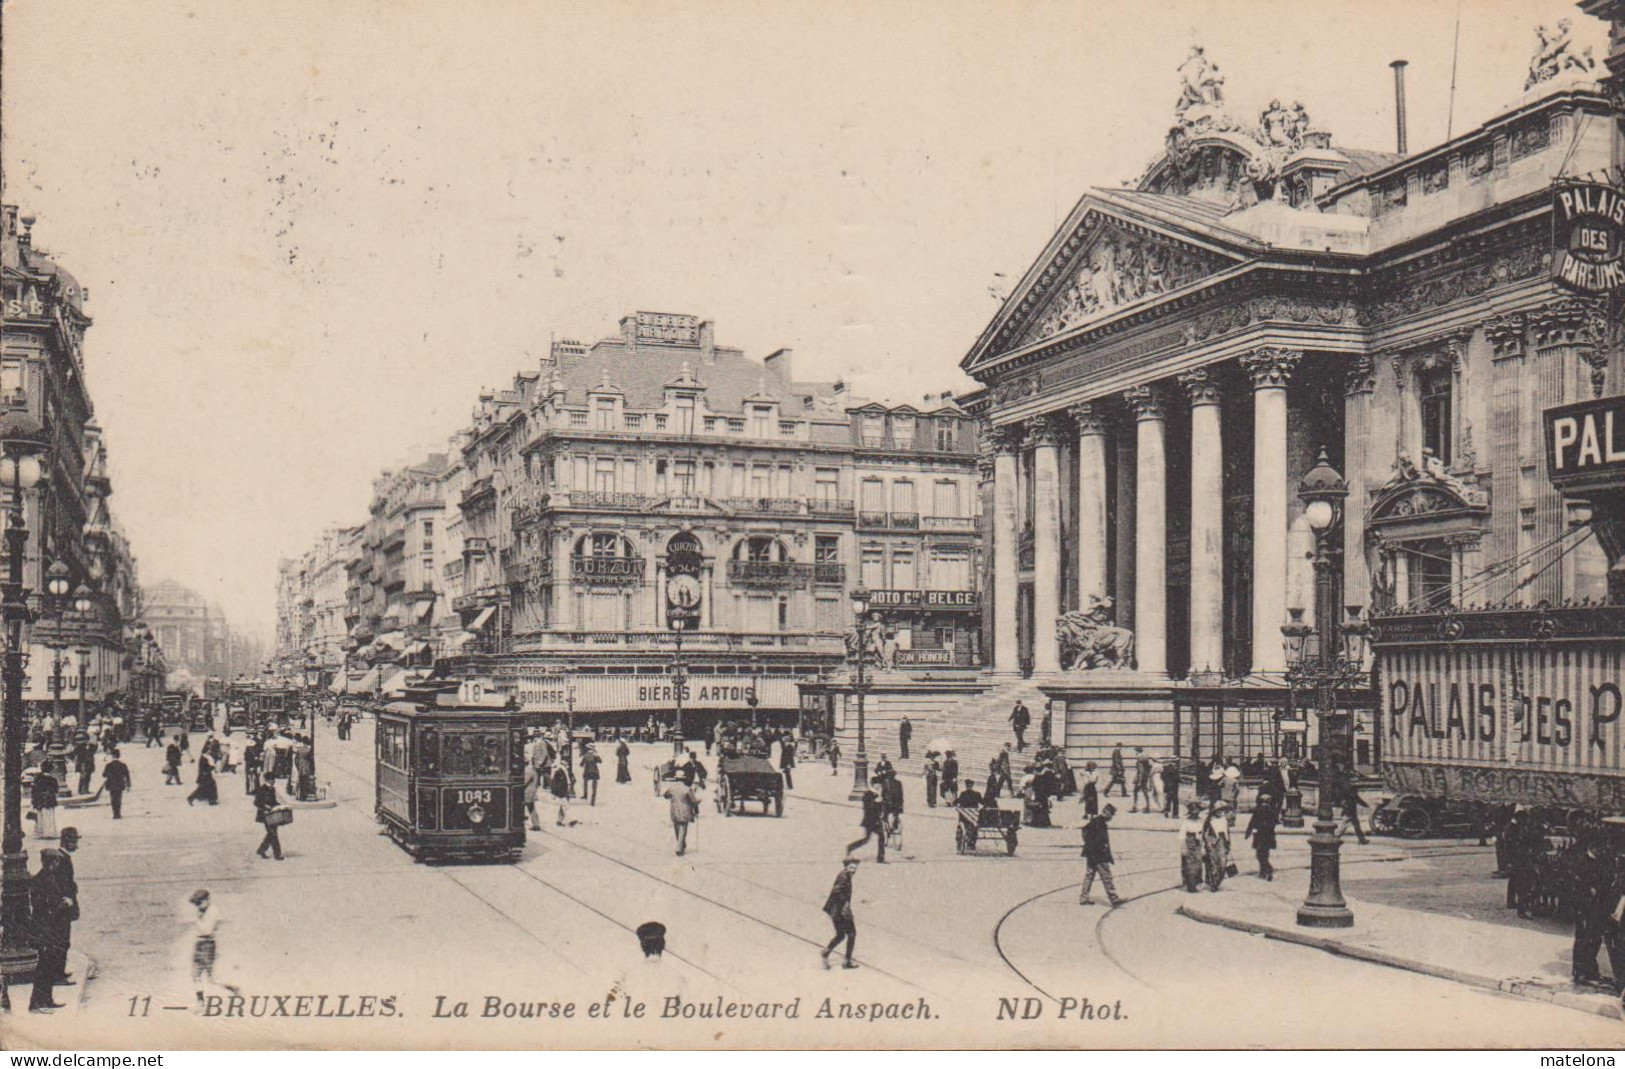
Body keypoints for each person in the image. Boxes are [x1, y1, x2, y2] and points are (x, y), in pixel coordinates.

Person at [27, 849, 71, 1012]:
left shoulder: (47, 878)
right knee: (44, 966)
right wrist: (64, 904)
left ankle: (46, 999)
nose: (58, 865)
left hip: (49, 929)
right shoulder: (42, 880)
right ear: (51, 863)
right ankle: (37, 1003)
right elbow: (45, 908)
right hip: (44, 929)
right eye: (56, 862)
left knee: (49, 964)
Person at [1079, 803, 1125, 907]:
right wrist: (1099, 848)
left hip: (1091, 853)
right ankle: (1114, 899)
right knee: (1106, 876)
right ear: (1107, 813)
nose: (1111, 818)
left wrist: (1088, 845)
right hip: (1099, 855)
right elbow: (1099, 840)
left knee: (1089, 875)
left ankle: (1083, 897)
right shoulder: (1100, 824)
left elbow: (1084, 831)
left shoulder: (1095, 821)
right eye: (1111, 815)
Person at [188, 889, 228, 1004]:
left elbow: (207, 931)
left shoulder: (213, 911)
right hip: (200, 944)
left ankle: (232, 989)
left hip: (207, 944)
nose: (197, 906)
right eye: (196, 903)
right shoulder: (202, 910)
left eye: (199, 903)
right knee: (195, 975)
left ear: (206, 900)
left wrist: (196, 920)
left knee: (211, 979)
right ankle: (200, 1002)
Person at [820, 857, 860, 970]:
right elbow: (837, 891)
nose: (853, 870)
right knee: (851, 934)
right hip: (840, 910)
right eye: (851, 867)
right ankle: (847, 962)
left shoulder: (845, 875)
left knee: (841, 935)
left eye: (855, 868)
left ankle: (826, 952)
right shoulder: (843, 877)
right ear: (846, 867)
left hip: (835, 910)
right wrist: (845, 904)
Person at [846, 784, 887, 863]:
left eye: (879, 787)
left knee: (881, 837)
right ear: (872, 786)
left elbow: (882, 808)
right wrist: (876, 802)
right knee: (866, 839)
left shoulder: (878, 795)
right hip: (869, 821)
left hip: (877, 820)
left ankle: (880, 858)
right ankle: (850, 847)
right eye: (876, 786)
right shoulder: (868, 795)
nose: (878, 788)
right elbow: (868, 808)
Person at [1245, 791, 1279, 880]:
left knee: (1260, 854)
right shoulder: (1271, 811)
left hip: (1261, 835)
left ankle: (1267, 869)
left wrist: (1248, 832)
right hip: (1267, 836)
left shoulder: (1259, 810)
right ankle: (1264, 871)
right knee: (1264, 854)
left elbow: (1252, 823)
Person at [662, 778, 700, 856]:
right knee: (683, 828)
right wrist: (696, 810)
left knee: (677, 829)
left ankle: (681, 844)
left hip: (674, 811)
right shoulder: (687, 789)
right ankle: (679, 848)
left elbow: (666, 796)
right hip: (685, 812)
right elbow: (694, 801)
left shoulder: (672, 788)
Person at [253, 779, 284, 861]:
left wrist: (279, 805)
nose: (274, 781)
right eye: (273, 780)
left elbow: (273, 801)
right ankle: (277, 854)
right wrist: (265, 806)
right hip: (264, 815)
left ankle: (261, 850)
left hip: (272, 814)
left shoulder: (272, 789)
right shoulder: (261, 789)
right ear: (268, 780)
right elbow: (256, 802)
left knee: (271, 833)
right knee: (273, 833)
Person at [1180, 801, 1206, 892]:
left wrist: (1203, 846)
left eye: (1197, 812)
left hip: (1198, 844)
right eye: (1193, 812)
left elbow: (1204, 834)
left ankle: (1197, 883)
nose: (1195, 814)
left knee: (1198, 864)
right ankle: (1190, 885)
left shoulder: (1202, 821)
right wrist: (1183, 848)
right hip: (1189, 843)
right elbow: (1182, 836)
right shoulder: (1186, 822)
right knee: (1189, 865)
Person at [30, 766, 59, 840]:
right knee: (49, 816)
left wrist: (33, 801)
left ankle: (39, 833)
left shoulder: (38, 779)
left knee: (39, 816)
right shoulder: (53, 779)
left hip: (39, 800)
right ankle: (49, 833)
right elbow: (56, 790)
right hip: (49, 800)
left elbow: (34, 791)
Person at [102, 749, 131, 819]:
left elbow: (103, 775)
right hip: (120, 784)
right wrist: (128, 785)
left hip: (111, 785)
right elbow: (127, 775)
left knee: (113, 799)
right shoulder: (123, 765)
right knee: (118, 799)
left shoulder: (108, 765)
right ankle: (118, 813)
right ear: (119, 756)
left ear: (112, 756)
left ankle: (114, 814)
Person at [550, 762, 575, 827]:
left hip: (563, 791)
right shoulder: (561, 772)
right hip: (562, 792)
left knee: (562, 807)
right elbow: (558, 783)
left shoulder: (562, 771)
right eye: (567, 765)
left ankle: (559, 821)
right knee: (565, 806)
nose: (568, 766)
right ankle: (570, 821)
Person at [1132, 748, 1153, 813]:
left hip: (1140, 779)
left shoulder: (1140, 759)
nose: (1135, 753)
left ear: (1137, 751)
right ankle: (1148, 807)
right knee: (1145, 792)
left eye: (1135, 751)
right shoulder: (1145, 758)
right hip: (1145, 778)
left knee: (1135, 792)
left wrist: (1139, 782)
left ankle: (1135, 807)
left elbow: (1141, 771)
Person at [523, 763, 543, 832]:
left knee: (529, 808)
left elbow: (524, 782)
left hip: (527, 793)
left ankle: (536, 825)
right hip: (530, 792)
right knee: (531, 809)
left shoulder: (528, 770)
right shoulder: (531, 770)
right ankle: (536, 825)